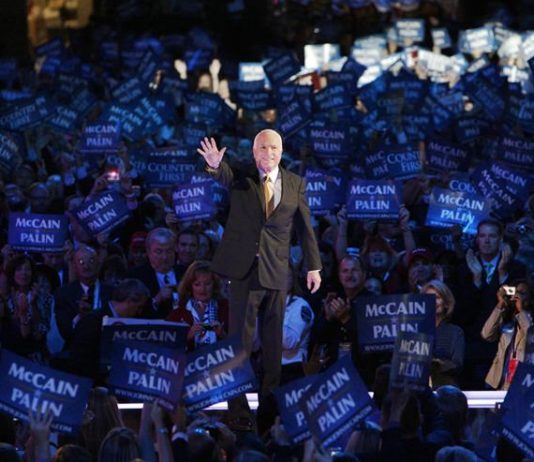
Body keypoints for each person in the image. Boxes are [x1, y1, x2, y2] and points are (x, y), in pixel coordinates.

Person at [197, 131, 322, 428]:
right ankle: (238, 411)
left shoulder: (295, 183)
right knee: (238, 343)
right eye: (263, 147)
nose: (269, 152)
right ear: (254, 152)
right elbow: (224, 175)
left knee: (273, 346)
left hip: (276, 271)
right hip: (244, 272)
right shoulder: (243, 176)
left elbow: (305, 227)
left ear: (282, 150)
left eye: (274, 147)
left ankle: (268, 411)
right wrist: (214, 165)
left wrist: (313, 266)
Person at [481, 281, 534, 390]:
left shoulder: (529, 323)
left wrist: (521, 310)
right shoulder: (509, 323)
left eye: (522, 293)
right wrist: (500, 304)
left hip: (525, 383)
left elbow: (531, 335)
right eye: (516, 292)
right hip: (502, 383)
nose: (518, 296)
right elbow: (486, 334)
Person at [167, 260, 228, 350]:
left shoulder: (226, 308)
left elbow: (238, 343)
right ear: (190, 286)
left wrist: (222, 335)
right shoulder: (178, 312)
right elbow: (168, 347)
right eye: (197, 284)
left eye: (207, 284)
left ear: (214, 285)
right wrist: (188, 336)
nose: (202, 289)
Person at [422, 280, 465, 388]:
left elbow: (457, 364)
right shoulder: (416, 330)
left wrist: (436, 364)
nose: (433, 302)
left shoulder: (455, 332)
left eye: (437, 297)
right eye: (429, 298)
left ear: (446, 303)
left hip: (445, 388)